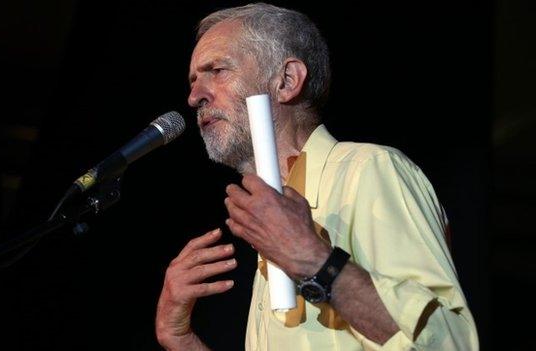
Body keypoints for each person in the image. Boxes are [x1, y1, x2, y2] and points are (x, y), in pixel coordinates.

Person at [155, 3, 479, 350]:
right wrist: (180, 339)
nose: (194, 96)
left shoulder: (369, 169)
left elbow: (451, 344)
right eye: (193, 80)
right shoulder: (273, 216)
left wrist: (313, 259)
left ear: (287, 81)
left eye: (216, 70)